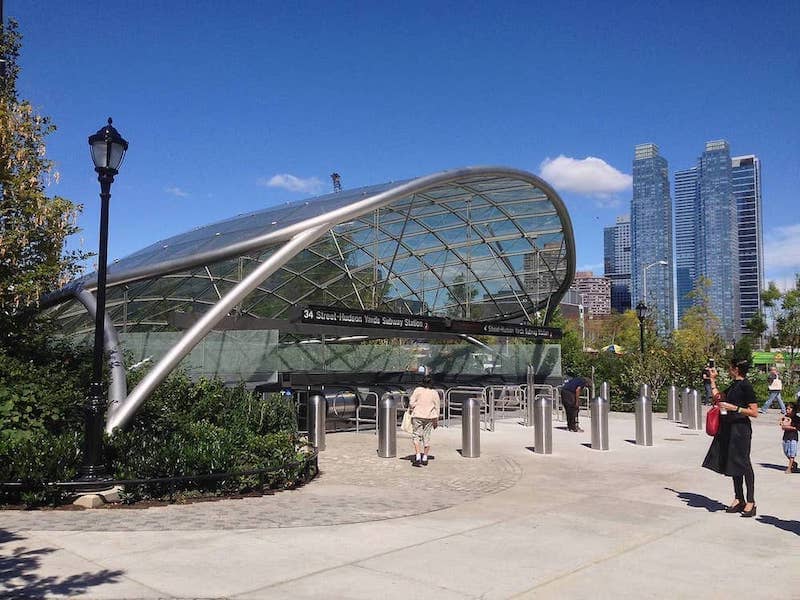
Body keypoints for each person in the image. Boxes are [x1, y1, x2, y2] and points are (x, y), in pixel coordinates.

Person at [702, 358, 759, 517]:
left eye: (730, 367)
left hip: (741, 429)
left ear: (736, 369)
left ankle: (751, 501)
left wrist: (735, 408)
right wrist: (712, 380)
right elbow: (718, 398)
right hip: (728, 428)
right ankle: (738, 497)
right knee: (732, 462)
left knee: (744, 463)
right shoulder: (734, 385)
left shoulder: (746, 386)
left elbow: (754, 412)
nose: (728, 369)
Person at [408, 376, 440, 467]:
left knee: (416, 435)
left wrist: (414, 406)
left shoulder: (418, 390)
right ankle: (425, 457)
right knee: (427, 436)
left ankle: (418, 455)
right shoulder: (434, 393)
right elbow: (437, 407)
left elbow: (411, 403)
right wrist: (436, 419)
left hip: (417, 415)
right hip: (429, 417)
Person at [779, 402, 798, 473]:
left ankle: (789, 468)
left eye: (789, 409)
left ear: (794, 410)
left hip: (793, 437)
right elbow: (782, 425)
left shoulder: (796, 418)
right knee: (786, 452)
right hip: (786, 437)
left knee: (792, 453)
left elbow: (797, 427)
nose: (787, 410)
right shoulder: (785, 417)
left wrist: (789, 427)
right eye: (786, 409)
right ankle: (794, 463)